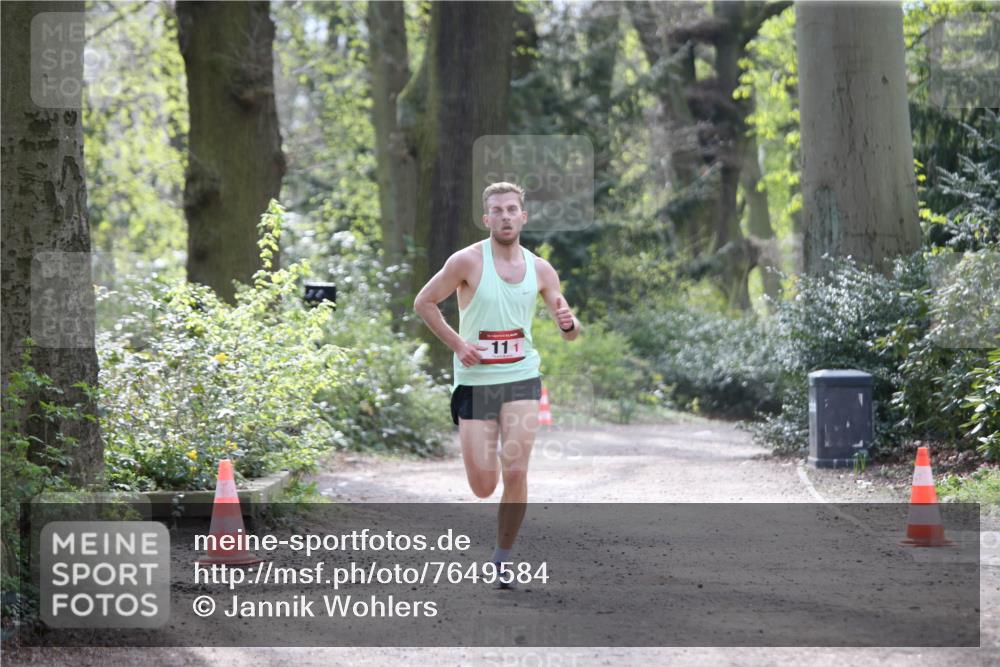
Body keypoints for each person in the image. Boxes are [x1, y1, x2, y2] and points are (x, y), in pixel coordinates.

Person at [413, 182, 580, 589]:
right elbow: (424, 302)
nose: (505, 216)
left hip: (522, 376)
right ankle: (478, 459)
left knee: (517, 469)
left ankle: (502, 560)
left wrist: (569, 323)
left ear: (523, 217)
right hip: (475, 382)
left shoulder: (541, 269)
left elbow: (569, 327)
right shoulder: (466, 262)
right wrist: (458, 344)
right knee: (484, 485)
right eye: (497, 211)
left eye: (512, 209)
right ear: (487, 219)